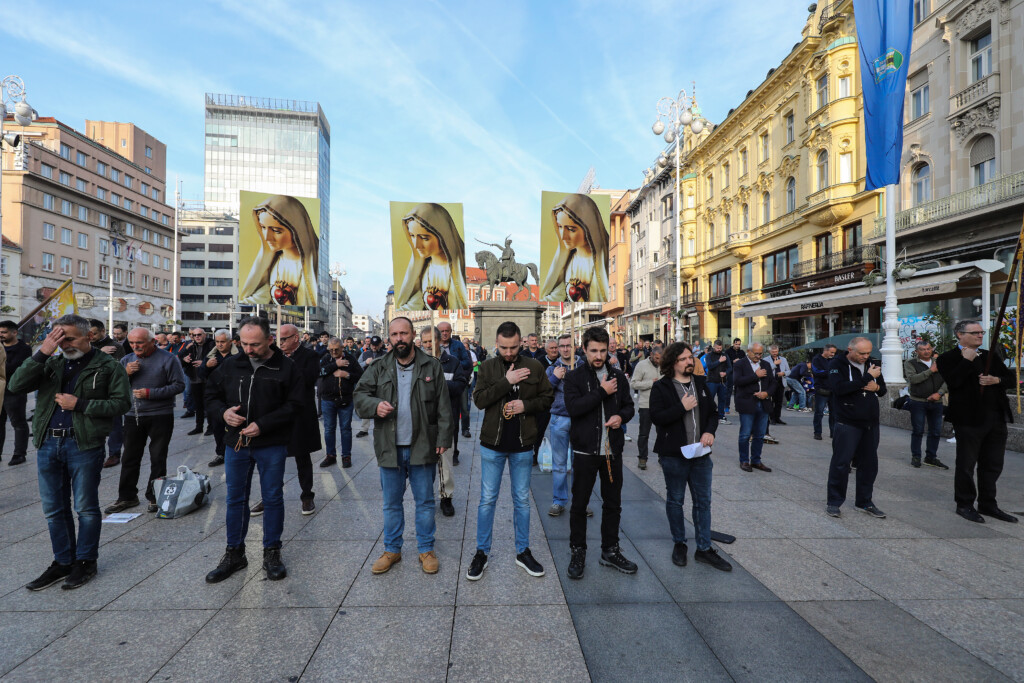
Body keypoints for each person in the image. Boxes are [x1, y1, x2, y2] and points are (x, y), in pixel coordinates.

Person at [9, 314, 131, 590]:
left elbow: (122, 403)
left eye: (70, 338)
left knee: (85, 508)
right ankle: (62, 561)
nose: (65, 344)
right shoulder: (50, 361)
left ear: (89, 336)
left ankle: (86, 561)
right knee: (54, 509)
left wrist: (82, 404)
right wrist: (42, 353)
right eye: (59, 338)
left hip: (83, 443)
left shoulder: (108, 366)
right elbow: (15, 386)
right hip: (49, 443)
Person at [204, 317, 304, 583]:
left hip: (271, 443)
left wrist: (264, 424)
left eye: (255, 345)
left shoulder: (286, 366)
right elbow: (210, 396)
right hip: (236, 443)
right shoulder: (231, 365)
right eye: (244, 343)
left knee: (272, 497)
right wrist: (223, 413)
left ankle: (272, 551)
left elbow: (296, 404)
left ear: (270, 340)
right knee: (235, 498)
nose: (248, 350)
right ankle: (234, 552)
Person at [354, 317, 453, 575]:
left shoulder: (431, 365)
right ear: (389, 337)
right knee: (391, 503)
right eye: (395, 334)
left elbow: (444, 406)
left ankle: (426, 549)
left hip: (423, 444)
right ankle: (392, 549)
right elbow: (359, 396)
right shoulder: (379, 367)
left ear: (412, 336)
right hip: (390, 446)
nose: (399, 338)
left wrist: (444, 439)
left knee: (425, 502)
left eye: (404, 333)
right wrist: (375, 405)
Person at [467, 321, 553, 580]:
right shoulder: (489, 367)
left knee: (522, 500)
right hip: (492, 445)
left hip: (522, 444)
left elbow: (547, 398)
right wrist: (507, 381)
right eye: (503, 347)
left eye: (513, 347)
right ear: (496, 343)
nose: (508, 352)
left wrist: (525, 405)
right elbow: (479, 400)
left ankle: (523, 551)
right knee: (487, 500)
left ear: (521, 342)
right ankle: (482, 552)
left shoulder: (535, 366)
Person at [649, 342, 731, 572]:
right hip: (674, 456)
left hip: (701, 455)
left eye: (690, 358)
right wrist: (681, 407)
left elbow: (713, 414)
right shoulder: (662, 387)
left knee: (703, 502)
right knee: (675, 501)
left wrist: (709, 431)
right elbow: (657, 417)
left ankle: (704, 548)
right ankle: (679, 544)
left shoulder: (700, 384)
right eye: (684, 358)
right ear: (672, 363)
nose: (689, 362)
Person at [562, 327, 636, 580]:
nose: (598, 355)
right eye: (593, 350)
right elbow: (573, 408)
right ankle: (578, 550)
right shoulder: (575, 377)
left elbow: (629, 407)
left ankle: (610, 550)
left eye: (603, 350)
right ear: (584, 349)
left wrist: (620, 417)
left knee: (613, 503)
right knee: (579, 504)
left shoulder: (618, 375)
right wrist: (602, 392)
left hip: (611, 451)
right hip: (585, 451)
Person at [936, 320, 1018, 524]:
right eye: (975, 333)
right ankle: (964, 504)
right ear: (959, 334)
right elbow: (954, 383)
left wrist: (995, 380)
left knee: (993, 463)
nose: (980, 336)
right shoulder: (948, 358)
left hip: (995, 416)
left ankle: (988, 503)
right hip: (968, 419)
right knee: (966, 463)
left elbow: (1011, 379)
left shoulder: (990, 354)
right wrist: (966, 361)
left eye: (981, 333)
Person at [104, 328, 186, 515]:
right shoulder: (127, 360)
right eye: (132, 343)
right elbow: (114, 387)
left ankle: (155, 496)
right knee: (130, 457)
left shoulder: (168, 359)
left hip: (160, 414)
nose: (135, 347)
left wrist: (151, 393)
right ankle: (127, 496)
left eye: (139, 343)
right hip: (134, 415)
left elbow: (179, 385)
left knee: (158, 457)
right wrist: (126, 373)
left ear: (152, 341)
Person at [251, 324, 322, 516]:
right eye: (278, 339)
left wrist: (288, 365)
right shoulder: (272, 356)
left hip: (300, 414)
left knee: (302, 457)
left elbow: (307, 379)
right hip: (277, 414)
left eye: (285, 339)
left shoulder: (310, 356)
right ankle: (269, 497)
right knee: (272, 459)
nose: (281, 343)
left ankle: (307, 496)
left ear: (296, 338)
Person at [825, 337, 887, 519]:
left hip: (870, 422)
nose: (865, 357)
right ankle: (834, 502)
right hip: (847, 421)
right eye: (861, 353)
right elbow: (839, 388)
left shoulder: (872, 364)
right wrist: (867, 378)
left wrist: (875, 386)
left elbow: (882, 390)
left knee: (869, 464)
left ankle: (865, 502)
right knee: (841, 463)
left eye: (868, 353)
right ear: (850, 350)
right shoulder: (837, 364)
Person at [421, 325, 469, 516]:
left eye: (430, 341)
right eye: (424, 342)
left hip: (445, 418)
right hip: (423, 419)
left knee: (445, 461)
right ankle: (425, 497)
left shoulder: (452, 361)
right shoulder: (418, 362)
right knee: (423, 461)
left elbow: (460, 384)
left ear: (440, 340)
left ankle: (446, 497)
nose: (427, 345)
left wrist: (439, 384)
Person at [239, 195, 319, 306]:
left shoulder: (312, 263)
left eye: (276, 231)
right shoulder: (274, 263)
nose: (267, 237)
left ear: (297, 230)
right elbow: (265, 294)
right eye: (263, 227)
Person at [395, 203, 469, 311]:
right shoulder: (423, 270)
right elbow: (416, 304)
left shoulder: (459, 268)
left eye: (424, 238)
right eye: (412, 236)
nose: (416, 245)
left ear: (443, 236)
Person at [540, 193, 610, 302]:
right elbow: (558, 295)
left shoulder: (605, 260)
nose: (563, 236)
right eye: (560, 227)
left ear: (589, 228)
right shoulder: (568, 262)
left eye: (571, 229)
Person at [545, 333, 584, 516]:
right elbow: (544, 392)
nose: (566, 349)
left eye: (569, 345)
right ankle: (559, 500)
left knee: (581, 464)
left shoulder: (583, 366)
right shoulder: (552, 368)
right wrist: (554, 378)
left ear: (575, 346)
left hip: (580, 419)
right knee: (559, 463)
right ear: (558, 348)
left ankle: (580, 501)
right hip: (559, 418)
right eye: (562, 346)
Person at [318, 337, 363, 469]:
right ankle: (330, 455)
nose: (333, 352)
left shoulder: (350, 359)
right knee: (329, 429)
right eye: (331, 350)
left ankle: (346, 456)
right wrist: (335, 365)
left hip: (345, 400)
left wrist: (346, 375)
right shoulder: (326, 358)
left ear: (342, 348)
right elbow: (319, 372)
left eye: (336, 350)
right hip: (328, 400)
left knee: (346, 429)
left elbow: (360, 375)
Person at [904, 341, 949, 470]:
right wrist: (931, 370)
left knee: (935, 431)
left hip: (937, 401)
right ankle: (916, 456)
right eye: (923, 349)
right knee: (918, 430)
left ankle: (931, 457)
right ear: (917, 351)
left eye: (928, 349)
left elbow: (947, 379)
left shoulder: (940, 362)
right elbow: (913, 379)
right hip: (918, 401)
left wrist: (939, 393)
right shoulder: (911, 363)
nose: (926, 351)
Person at [89, 319, 126, 468]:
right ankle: (96, 453)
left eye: (95, 333)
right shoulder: (87, 347)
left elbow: (115, 370)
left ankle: (114, 453)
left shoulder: (115, 347)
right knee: (93, 425)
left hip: (111, 392)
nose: (91, 336)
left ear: (103, 331)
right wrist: (97, 353)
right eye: (89, 333)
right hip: (91, 392)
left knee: (114, 425)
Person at [733, 342, 776, 473]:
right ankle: (744, 460)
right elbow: (737, 381)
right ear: (749, 351)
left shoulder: (766, 364)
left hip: (763, 403)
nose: (758, 356)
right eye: (756, 353)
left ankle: (756, 460)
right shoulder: (740, 364)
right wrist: (755, 376)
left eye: (760, 354)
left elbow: (773, 383)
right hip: (747, 403)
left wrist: (767, 393)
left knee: (760, 434)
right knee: (745, 434)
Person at [202, 330, 237, 467]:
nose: (220, 345)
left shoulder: (237, 355)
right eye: (217, 342)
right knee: (217, 427)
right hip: (216, 397)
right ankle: (221, 453)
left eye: (222, 342)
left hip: (233, 395)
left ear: (230, 342)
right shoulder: (211, 355)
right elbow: (201, 374)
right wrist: (206, 366)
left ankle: (235, 451)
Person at [0, 320, 32, 466]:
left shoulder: (24, 349)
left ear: (14, 332)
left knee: (18, 423)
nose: (1, 335)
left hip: (14, 391)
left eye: (4, 332)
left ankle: (19, 454)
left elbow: (14, 368)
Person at [628, 344, 662, 470]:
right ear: (652, 355)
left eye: (661, 359)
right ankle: (642, 458)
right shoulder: (641, 365)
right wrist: (651, 383)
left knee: (662, 433)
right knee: (644, 434)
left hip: (661, 406)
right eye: (657, 358)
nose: (659, 361)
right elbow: (634, 384)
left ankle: (661, 457)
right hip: (646, 405)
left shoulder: (664, 365)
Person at [177, 328, 215, 436]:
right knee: (198, 405)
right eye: (194, 335)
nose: (196, 337)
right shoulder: (191, 346)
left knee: (209, 404)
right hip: (194, 378)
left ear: (205, 335)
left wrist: (204, 363)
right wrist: (184, 359)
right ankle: (199, 427)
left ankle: (211, 427)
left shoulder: (211, 345)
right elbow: (179, 357)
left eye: (199, 334)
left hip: (208, 379)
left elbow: (216, 359)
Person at [356, 335, 386, 438]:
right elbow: (356, 366)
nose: (374, 347)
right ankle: (364, 429)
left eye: (376, 345)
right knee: (367, 404)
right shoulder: (365, 354)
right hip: (368, 383)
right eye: (373, 345)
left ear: (380, 344)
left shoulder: (385, 354)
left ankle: (382, 428)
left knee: (382, 405)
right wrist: (365, 362)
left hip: (381, 383)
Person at [811, 344, 837, 440]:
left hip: (833, 390)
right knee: (819, 412)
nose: (833, 354)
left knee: (834, 413)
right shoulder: (816, 359)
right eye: (831, 352)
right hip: (821, 389)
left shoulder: (834, 360)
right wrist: (830, 372)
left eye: (834, 352)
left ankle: (833, 432)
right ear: (825, 350)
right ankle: (817, 432)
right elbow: (817, 372)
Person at [703, 340, 731, 425]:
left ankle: (721, 416)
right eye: (717, 348)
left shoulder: (725, 355)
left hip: (722, 381)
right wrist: (719, 361)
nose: (719, 349)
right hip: (712, 381)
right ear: (714, 347)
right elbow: (710, 366)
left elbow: (730, 367)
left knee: (722, 399)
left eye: (720, 348)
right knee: (710, 399)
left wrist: (725, 373)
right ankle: (708, 415)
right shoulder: (709, 355)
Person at [766, 345, 790, 426]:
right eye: (773, 352)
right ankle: (771, 418)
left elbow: (789, 371)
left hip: (781, 382)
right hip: (771, 383)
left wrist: (784, 373)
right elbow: (766, 371)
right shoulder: (766, 359)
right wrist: (774, 364)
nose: (775, 353)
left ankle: (777, 417)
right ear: (770, 352)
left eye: (776, 351)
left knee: (779, 401)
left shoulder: (783, 359)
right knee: (771, 401)